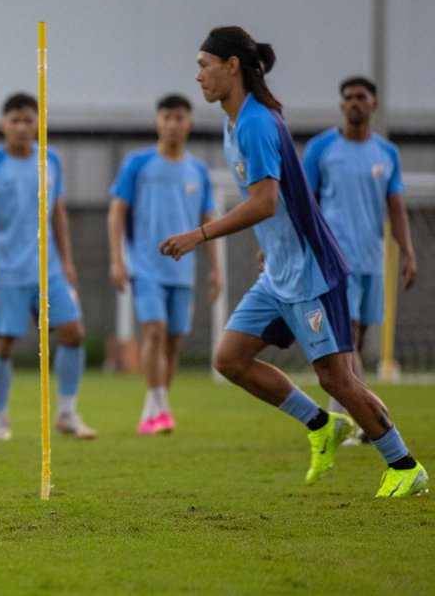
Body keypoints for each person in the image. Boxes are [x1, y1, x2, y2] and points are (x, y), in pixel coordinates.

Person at [160, 26, 427, 497]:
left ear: (232, 66)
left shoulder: (257, 123)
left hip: (310, 273)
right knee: (230, 359)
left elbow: (264, 201)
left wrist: (199, 234)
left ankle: (404, 465)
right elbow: (284, 202)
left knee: (336, 376)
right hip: (279, 270)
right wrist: (271, 241)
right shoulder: (234, 120)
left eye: (204, 64)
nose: (198, 75)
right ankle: (321, 424)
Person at [0, 92, 94, 442]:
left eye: (28, 120)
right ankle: (0, 420)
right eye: (15, 121)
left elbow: (58, 215)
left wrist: (67, 262)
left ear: (39, 123)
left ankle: (67, 413)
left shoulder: (50, 161)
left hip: (49, 271)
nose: (22, 127)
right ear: (3, 124)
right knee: (3, 346)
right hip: (6, 273)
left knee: (74, 333)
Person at [302, 76, 418, 442]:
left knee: (358, 340)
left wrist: (408, 253)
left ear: (373, 105)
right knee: (345, 336)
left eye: (361, 97)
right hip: (335, 261)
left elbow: (395, 209)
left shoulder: (387, 153)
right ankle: (358, 418)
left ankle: (344, 414)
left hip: (372, 260)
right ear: (341, 105)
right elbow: (304, 204)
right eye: (348, 97)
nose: (354, 102)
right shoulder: (322, 148)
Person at [107, 94, 221, 435]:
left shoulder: (198, 171)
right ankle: (158, 407)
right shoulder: (137, 164)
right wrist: (117, 259)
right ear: (159, 122)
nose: (173, 124)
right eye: (167, 117)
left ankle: (155, 410)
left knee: (172, 341)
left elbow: (208, 219)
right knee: (153, 330)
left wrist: (215, 267)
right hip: (145, 266)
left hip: (182, 271)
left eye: (179, 117)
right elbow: (116, 211)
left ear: (190, 123)